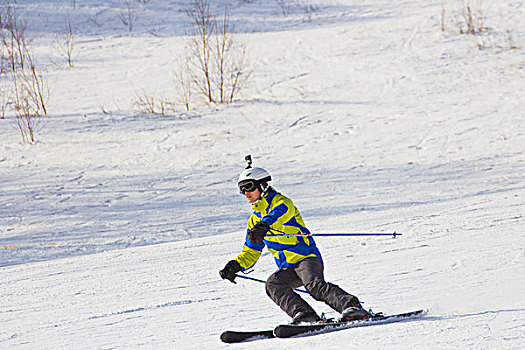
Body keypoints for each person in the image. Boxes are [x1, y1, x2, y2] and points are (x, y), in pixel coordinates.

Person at [219, 157, 371, 323]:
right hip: (288, 267)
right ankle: (305, 315)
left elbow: (279, 213)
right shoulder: (253, 222)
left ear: (262, 185)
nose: (245, 192)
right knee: (273, 284)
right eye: (241, 189)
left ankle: (352, 307)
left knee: (314, 286)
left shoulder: (282, 202)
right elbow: (251, 251)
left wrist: (264, 226)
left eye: (249, 186)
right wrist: (235, 265)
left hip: (307, 259)